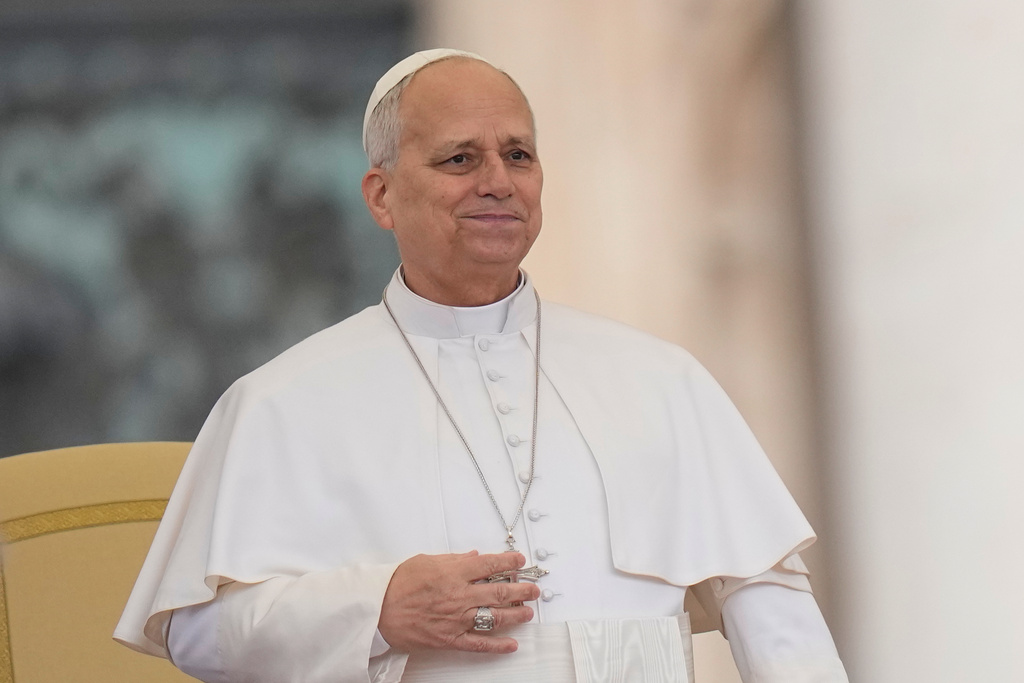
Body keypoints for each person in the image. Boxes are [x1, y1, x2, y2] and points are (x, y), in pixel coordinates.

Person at [115, 49, 848, 682]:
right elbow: (197, 631)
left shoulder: (661, 380)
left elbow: (774, 611)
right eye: (460, 158)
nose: (498, 180)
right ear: (381, 195)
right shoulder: (282, 400)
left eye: (518, 155)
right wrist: (375, 608)